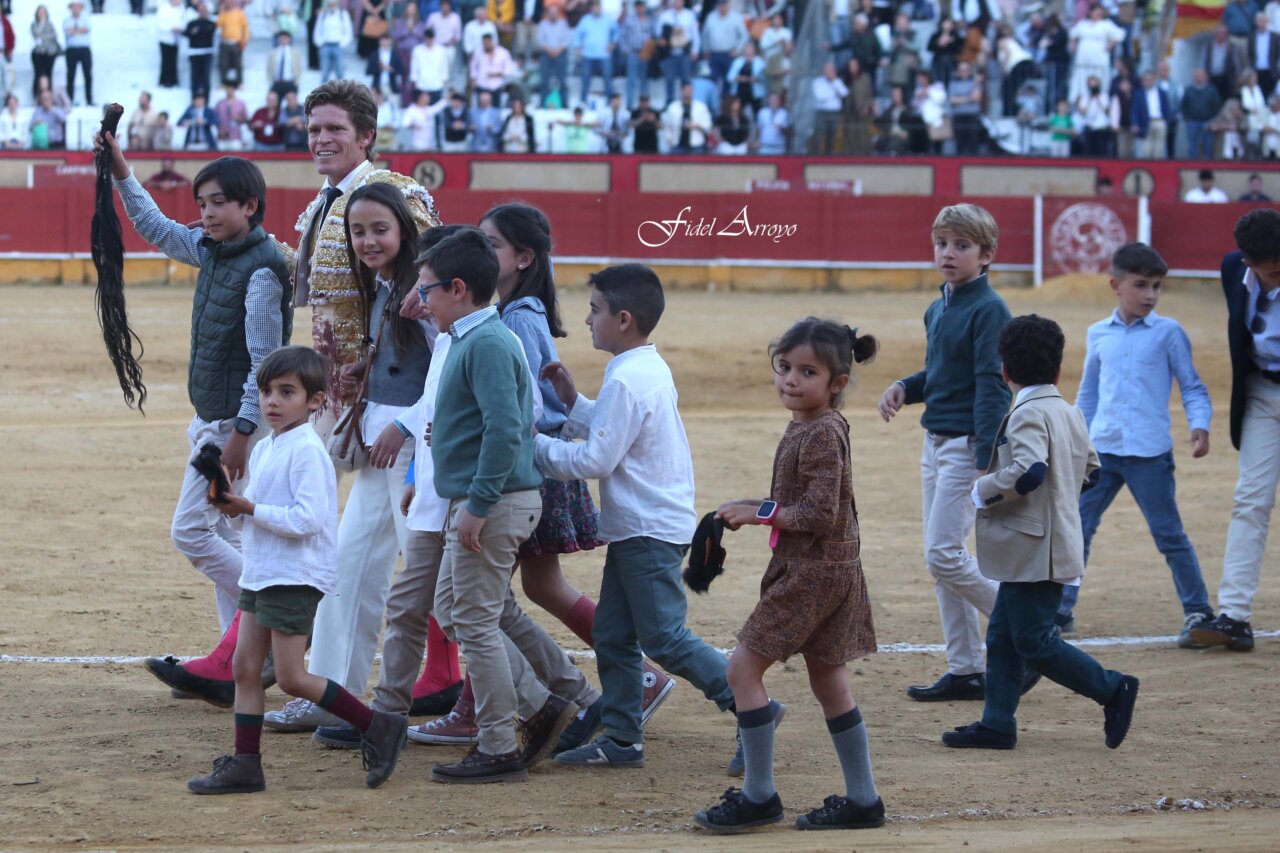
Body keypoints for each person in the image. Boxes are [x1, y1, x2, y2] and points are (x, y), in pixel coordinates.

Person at [143, 81, 443, 708]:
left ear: (366, 136)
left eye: (335, 129)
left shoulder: (396, 195)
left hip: (395, 405)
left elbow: (431, 288)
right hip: (344, 398)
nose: (321, 140)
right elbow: (296, 266)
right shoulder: (320, 208)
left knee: (409, 553)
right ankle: (300, 677)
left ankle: (445, 677)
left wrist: (410, 406)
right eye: (314, 130)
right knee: (343, 548)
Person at [97, 138, 294, 706]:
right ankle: (239, 663)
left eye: (218, 203)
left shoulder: (261, 271)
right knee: (228, 534)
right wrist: (122, 171)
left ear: (250, 206)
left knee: (192, 531)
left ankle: (269, 611)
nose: (206, 213)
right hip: (214, 419)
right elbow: (156, 228)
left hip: (233, 428)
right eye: (202, 203)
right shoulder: (213, 250)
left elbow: (264, 362)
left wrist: (242, 434)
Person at [263, 182, 456, 734]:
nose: (367, 241)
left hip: (417, 456)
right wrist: (365, 375)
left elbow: (449, 376)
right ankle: (333, 697)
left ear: (403, 230)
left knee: (451, 589)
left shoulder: (422, 294)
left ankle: (546, 692)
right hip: (384, 453)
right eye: (358, 231)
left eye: (379, 230)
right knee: (347, 569)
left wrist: (401, 422)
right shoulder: (386, 284)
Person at [536, 264, 742, 772]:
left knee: (664, 637)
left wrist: (531, 445)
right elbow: (618, 430)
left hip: (647, 529)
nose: (588, 320)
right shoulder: (642, 368)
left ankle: (750, 705)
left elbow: (596, 460)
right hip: (642, 527)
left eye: (595, 310)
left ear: (623, 319)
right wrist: (574, 403)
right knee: (612, 634)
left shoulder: (628, 378)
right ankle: (623, 739)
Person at [187, 345, 410, 795]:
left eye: (286, 392)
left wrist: (250, 508)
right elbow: (255, 517)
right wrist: (232, 506)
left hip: (293, 575)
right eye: (267, 391)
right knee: (245, 668)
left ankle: (378, 725)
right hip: (263, 571)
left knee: (290, 677)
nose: (272, 401)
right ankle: (246, 763)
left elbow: (306, 520)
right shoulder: (267, 448)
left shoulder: (308, 450)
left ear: (315, 401)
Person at [692, 318, 885, 834]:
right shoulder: (814, 424)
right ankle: (863, 799)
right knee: (829, 681)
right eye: (784, 367)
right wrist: (750, 505)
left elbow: (820, 514)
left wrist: (760, 514)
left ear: (837, 383)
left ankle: (759, 796)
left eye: (807, 372)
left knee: (742, 672)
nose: (791, 380)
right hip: (830, 569)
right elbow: (806, 504)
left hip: (811, 574)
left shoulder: (819, 432)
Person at [418, 227, 580, 783]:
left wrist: (479, 503)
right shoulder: (477, 337)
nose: (422, 300)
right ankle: (545, 701)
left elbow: (507, 429)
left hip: (493, 500)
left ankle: (498, 743)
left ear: (457, 288)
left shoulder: (484, 342)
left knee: (474, 619)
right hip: (486, 496)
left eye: (428, 289)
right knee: (459, 607)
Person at [941, 315, 1140, 752]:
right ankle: (997, 723)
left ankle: (1112, 688)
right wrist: (1058, 500)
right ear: (1058, 370)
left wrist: (983, 490)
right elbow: (1091, 471)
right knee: (1003, 636)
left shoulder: (1027, 413)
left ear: (1004, 371)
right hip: (1046, 543)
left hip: (1034, 548)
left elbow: (1028, 471)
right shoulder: (1068, 410)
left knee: (1033, 640)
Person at [877, 204, 1030, 704]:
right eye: (942, 243)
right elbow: (942, 375)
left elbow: (992, 384)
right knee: (946, 558)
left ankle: (1029, 633)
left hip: (967, 447)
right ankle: (966, 669)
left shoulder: (990, 309)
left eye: (962, 245)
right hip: (936, 443)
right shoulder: (938, 306)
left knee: (942, 554)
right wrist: (906, 387)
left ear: (986, 255)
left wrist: (987, 455)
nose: (948, 253)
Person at [1054, 243, 1215, 645]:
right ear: (1116, 285)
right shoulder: (1098, 333)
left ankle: (1198, 610)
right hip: (1102, 452)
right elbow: (1089, 394)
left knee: (1169, 535)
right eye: (1141, 285)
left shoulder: (1168, 333)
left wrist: (1199, 424)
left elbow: (1192, 387)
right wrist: (1075, 439)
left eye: (1156, 286)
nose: (1150, 295)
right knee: (1077, 530)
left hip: (1149, 454)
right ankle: (1061, 611)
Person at [1190, 209, 1280, 651]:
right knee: (1250, 500)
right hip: (1261, 393)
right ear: (1248, 262)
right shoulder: (1232, 270)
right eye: (1272, 271)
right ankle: (1234, 616)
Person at [573, 1, 617, 104]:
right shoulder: (585, 20)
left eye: (598, 7)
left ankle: (610, 101)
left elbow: (616, 32)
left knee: (607, 78)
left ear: (601, 8)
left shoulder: (608, 19)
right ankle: (583, 101)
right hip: (588, 54)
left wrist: (613, 44)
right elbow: (577, 34)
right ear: (592, 8)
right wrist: (578, 47)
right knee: (585, 78)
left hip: (604, 54)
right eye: (595, 7)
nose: (597, 9)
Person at [536, 4, 571, 106]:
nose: (553, 15)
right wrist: (550, 50)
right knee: (544, 81)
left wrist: (558, 50)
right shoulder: (543, 24)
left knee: (562, 81)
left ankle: (564, 104)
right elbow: (540, 40)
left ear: (558, 14)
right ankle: (542, 104)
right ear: (548, 14)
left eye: (555, 12)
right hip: (546, 54)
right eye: (551, 13)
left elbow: (567, 40)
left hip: (560, 54)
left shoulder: (563, 24)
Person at [810, 61, 847, 155]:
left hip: (835, 113)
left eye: (832, 70)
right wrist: (835, 93)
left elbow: (845, 93)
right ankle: (816, 157)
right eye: (828, 70)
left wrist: (834, 82)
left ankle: (830, 157)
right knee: (819, 136)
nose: (830, 72)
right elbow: (820, 96)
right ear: (824, 71)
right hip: (822, 113)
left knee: (832, 137)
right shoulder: (817, 82)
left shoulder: (837, 81)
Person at [661, 82, 710, 153]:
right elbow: (667, 125)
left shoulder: (701, 107)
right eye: (686, 90)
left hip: (696, 145)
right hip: (677, 144)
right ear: (681, 91)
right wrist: (668, 139)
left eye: (690, 90)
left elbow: (708, 127)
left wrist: (697, 126)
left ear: (693, 91)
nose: (688, 92)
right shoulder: (672, 107)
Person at [315, 0, 354, 83]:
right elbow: (317, 30)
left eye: (334, 4)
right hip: (326, 45)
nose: (332, 6)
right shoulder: (323, 14)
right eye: (330, 4)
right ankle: (324, 91)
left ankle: (341, 91)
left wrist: (342, 44)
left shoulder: (343, 14)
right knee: (324, 73)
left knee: (340, 72)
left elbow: (348, 31)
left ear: (337, 4)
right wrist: (320, 43)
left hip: (338, 46)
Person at [185, 2, 218, 97]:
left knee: (206, 78)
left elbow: (209, 33)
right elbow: (186, 33)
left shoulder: (211, 24)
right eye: (201, 10)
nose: (202, 12)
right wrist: (193, 33)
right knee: (194, 78)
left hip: (207, 53)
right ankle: (194, 100)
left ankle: (206, 101)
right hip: (194, 53)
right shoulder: (192, 23)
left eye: (204, 10)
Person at [410, 28, 450, 103]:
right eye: (428, 38)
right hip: (421, 85)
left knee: (436, 107)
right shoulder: (417, 50)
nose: (429, 41)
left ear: (434, 38)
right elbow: (414, 66)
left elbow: (444, 67)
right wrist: (414, 80)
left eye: (431, 38)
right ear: (424, 38)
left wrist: (444, 80)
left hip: (436, 84)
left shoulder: (441, 50)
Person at [63, 0, 92, 106]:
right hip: (71, 50)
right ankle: (69, 100)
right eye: (74, 6)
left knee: (87, 75)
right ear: (71, 8)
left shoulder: (86, 19)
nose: (76, 9)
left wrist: (74, 31)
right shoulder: (66, 20)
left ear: (81, 8)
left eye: (78, 6)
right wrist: (80, 30)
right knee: (71, 75)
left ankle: (89, 99)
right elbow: (69, 31)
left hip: (84, 49)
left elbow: (86, 29)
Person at [216, 0, 250, 87]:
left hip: (236, 43)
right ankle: (223, 83)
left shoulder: (240, 13)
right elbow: (219, 25)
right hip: (225, 42)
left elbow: (245, 27)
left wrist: (245, 39)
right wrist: (222, 11)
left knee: (238, 64)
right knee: (223, 64)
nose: (229, 3)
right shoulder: (223, 13)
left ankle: (239, 83)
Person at [30, 5, 61, 99]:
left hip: (50, 53)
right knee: (39, 74)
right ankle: (37, 95)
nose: (42, 14)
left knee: (48, 74)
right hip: (38, 53)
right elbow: (36, 34)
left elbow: (54, 36)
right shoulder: (34, 24)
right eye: (40, 12)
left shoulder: (50, 25)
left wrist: (43, 36)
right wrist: (42, 23)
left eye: (43, 12)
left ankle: (48, 96)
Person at [157, 0, 186, 88]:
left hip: (176, 39)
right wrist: (171, 28)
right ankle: (164, 81)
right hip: (165, 38)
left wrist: (180, 28)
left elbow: (183, 21)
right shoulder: (163, 8)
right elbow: (160, 23)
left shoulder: (181, 8)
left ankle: (174, 81)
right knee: (166, 61)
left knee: (174, 61)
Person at [267, 31, 302, 99]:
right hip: (277, 82)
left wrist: (297, 81)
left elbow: (298, 67)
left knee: (291, 98)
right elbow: (269, 68)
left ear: (290, 39)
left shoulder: (295, 52)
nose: (284, 39)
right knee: (271, 98)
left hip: (290, 82)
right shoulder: (273, 52)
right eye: (282, 37)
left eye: (286, 38)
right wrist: (270, 81)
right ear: (278, 39)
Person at [214, 85, 249, 150]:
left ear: (234, 90)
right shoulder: (220, 103)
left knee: (236, 155)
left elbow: (246, 119)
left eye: (231, 89)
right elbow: (214, 118)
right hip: (222, 137)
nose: (229, 91)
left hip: (235, 137)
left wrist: (238, 118)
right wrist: (219, 129)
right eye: (227, 89)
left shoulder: (240, 103)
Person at [755, 91, 788, 155]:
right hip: (764, 146)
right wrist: (757, 140)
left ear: (779, 101)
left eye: (776, 99)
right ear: (769, 100)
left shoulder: (784, 113)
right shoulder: (762, 112)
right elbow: (759, 129)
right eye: (772, 99)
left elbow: (787, 131)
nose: (774, 101)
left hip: (778, 147)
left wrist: (781, 127)